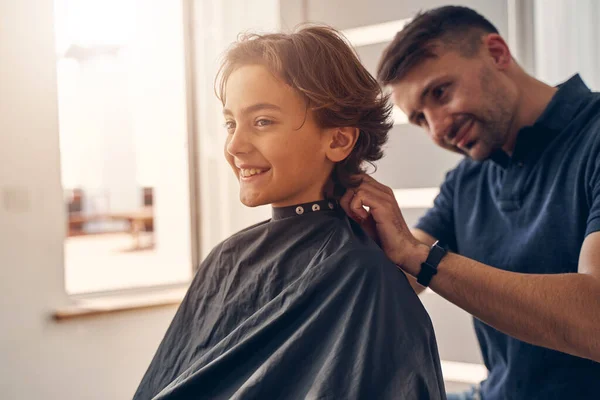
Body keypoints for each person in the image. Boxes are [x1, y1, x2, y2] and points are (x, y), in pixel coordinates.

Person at [133, 26, 446, 400]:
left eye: (262, 121)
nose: (234, 145)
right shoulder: (226, 260)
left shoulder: (362, 274)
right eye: (231, 123)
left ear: (338, 140)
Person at [340, 5, 600, 400]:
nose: (439, 129)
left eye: (440, 93)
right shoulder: (466, 182)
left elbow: (595, 318)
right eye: (422, 120)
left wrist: (421, 257)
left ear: (497, 53)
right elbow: (396, 276)